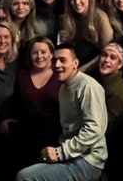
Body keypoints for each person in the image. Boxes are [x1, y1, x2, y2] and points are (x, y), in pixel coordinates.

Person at [15, 43, 108, 181]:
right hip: (71, 155)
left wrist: (60, 153)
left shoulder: (88, 86)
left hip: (88, 160)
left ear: (75, 63)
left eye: (63, 60)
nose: (57, 65)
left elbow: (94, 129)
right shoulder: (63, 88)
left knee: (25, 177)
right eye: (54, 60)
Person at [0, 37, 62, 175]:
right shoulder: (21, 75)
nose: (39, 56)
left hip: (52, 137)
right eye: (35, 52)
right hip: (24, 135)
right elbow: (13, 102)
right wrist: (6, 119)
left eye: (43, 52)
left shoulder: (60, 75)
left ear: (51, 54)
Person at [97, 43, 123, 181]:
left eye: (112, 57)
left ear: (120, 65)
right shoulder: (105, 82)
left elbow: (107, 127)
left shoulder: (117, 90)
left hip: (116, 158)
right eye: (104, 55)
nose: (106, 60)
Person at [60, 0, 114, 67]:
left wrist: (82, 69)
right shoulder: (71, 18)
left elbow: (107, 52)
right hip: (80, 61)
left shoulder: (100, 17)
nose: (77, 2)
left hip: (100, 62)